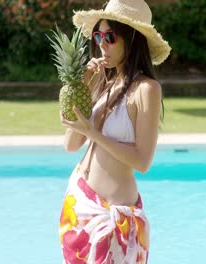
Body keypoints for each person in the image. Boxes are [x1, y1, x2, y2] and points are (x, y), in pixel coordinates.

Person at [58, 0, 171, 263]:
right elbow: (71, 144)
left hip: (113, 215)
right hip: (79, 206)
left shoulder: (146, 90)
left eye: (110, 36)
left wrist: (94, 133)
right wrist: (81, 88)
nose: (101, 44)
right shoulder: (102, 84)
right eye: (98, 36)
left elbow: (143, 161)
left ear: (131, 39)